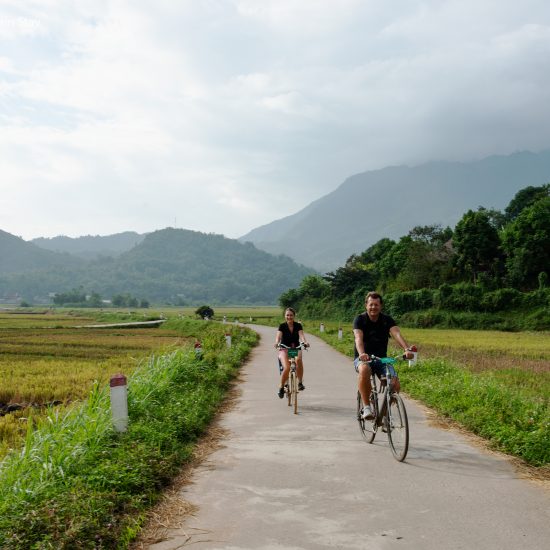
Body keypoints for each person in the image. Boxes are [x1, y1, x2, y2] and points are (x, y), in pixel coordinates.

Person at [353, 292, 415, 420]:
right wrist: (362, 354)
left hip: (382, 359)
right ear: (366, 305)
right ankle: (366, 408)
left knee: (395, 384)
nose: (373, 307)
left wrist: (406, 349)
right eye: (371, 304)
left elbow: (396, 334)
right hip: (364, 358)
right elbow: (358, 338)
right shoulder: (360, 319)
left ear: (381, 306)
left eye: (376, 305)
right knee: (364, 370)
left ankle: (385, 414)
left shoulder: (387, 320)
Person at [274, 307, 309, 398]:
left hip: (294, 348)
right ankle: (281, 387)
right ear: (285, 316)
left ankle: (300, 382)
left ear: (294, 316)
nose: (289, 317)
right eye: (287, 315)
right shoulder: (282, 326)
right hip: (284, 348)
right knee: (287, 367)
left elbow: (301, 335)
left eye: (291, 315)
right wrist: (277, 343)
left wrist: (305, 342)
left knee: (299, 360)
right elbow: (278, 337)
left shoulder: (298, 325)